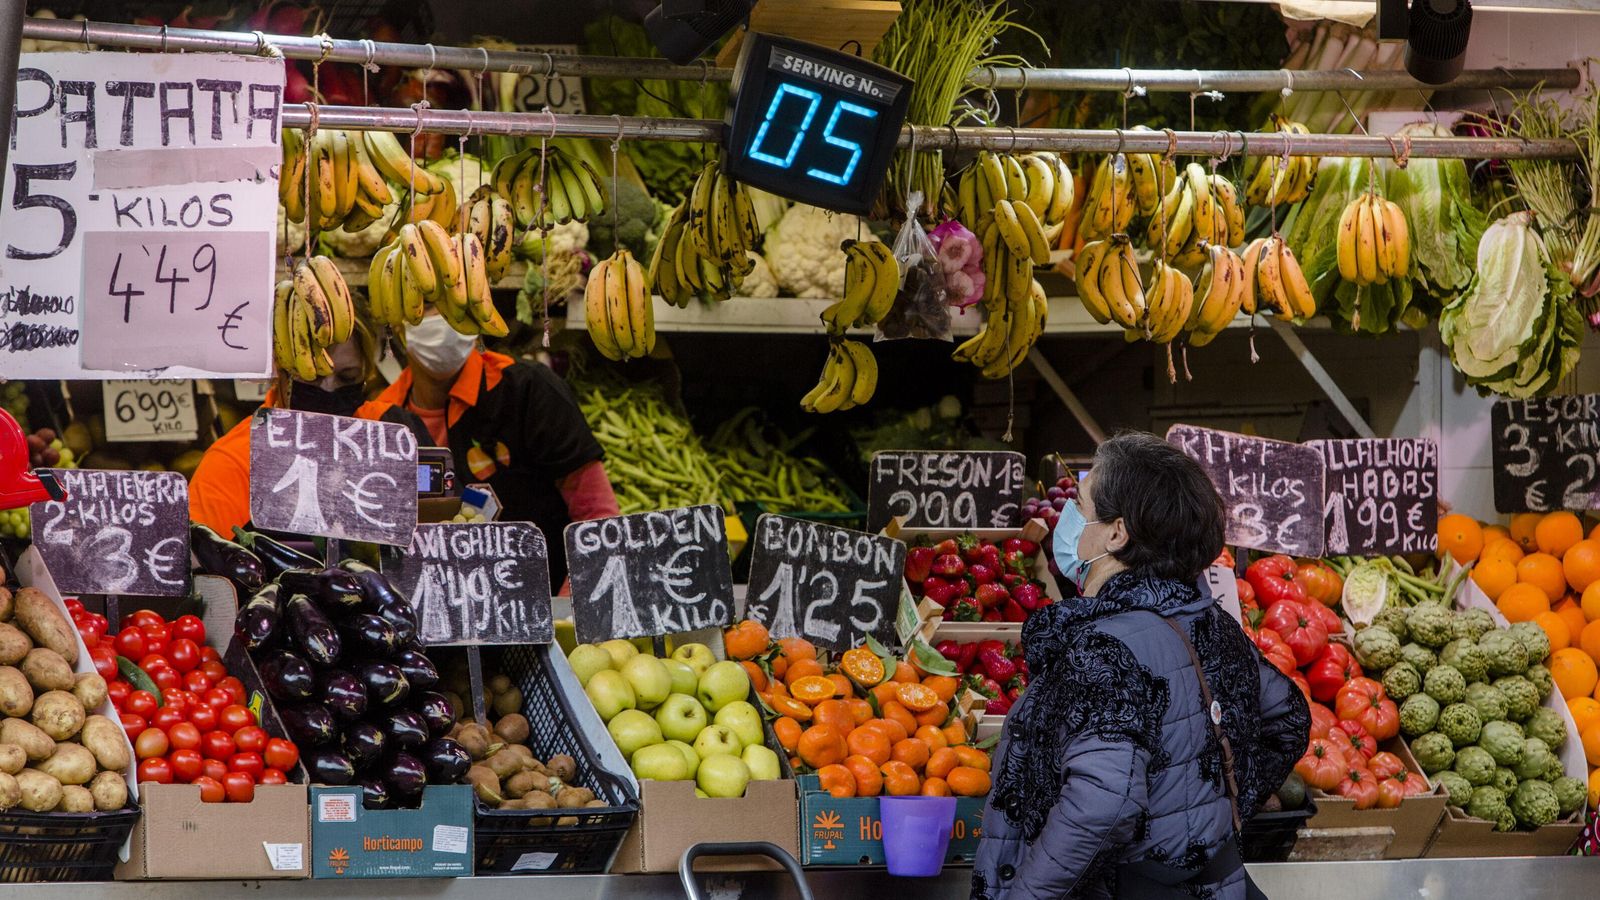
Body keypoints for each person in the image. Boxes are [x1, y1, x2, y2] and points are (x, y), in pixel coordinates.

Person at [971, 432, 1309, 900]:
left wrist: (1024, 895)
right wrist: (1202, 818)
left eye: (1082, 506)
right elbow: (1288, 717)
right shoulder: (1211, 622)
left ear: (1116, 533)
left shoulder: (1104, 648)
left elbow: (1101, 808)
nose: (1070, 519)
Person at [374, 311, 619, 588]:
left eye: (457, 298)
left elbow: (597, 515)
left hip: (546, 610)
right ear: (397, 316)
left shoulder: (527, 389)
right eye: (429, 301)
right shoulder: (381, 418)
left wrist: (568, 610)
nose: (445, 313)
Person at [189, 319, 431, 535]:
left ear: (365, 375)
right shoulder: (233, 462)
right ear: (280, 371)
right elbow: (204, 567)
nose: (328, 388)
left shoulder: (394, 430)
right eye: (313, 376)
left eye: (347, 377)